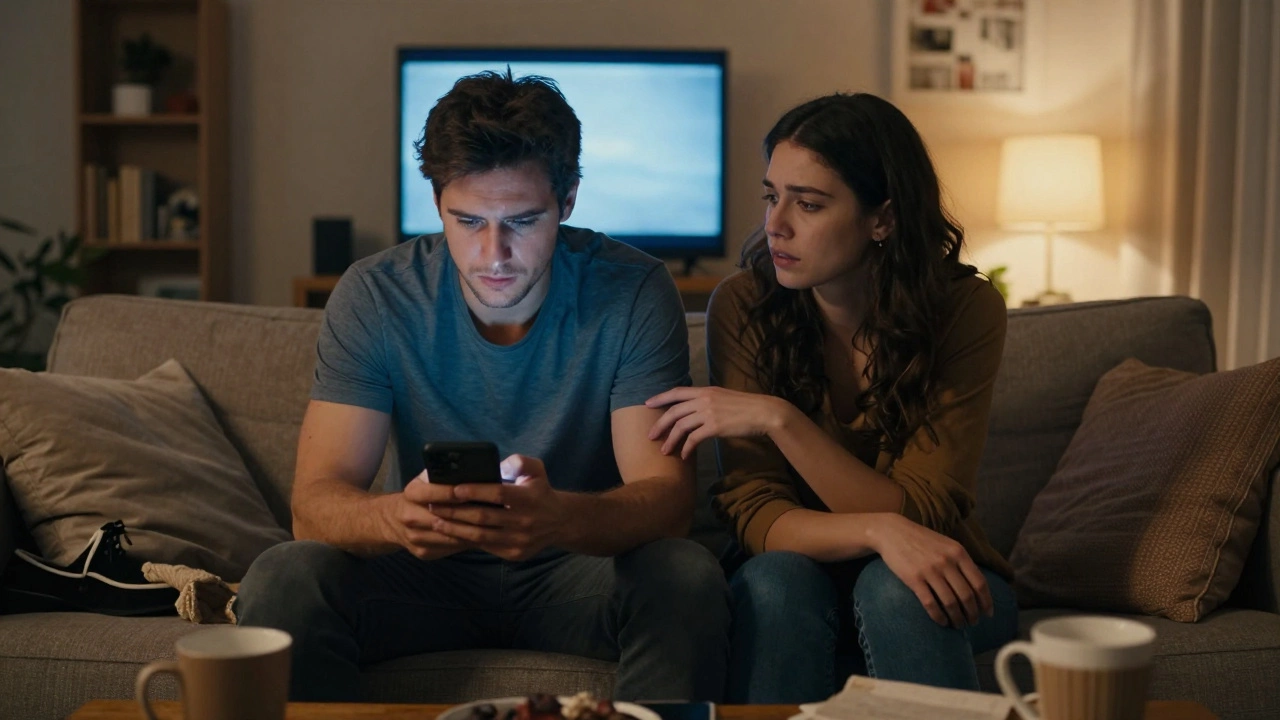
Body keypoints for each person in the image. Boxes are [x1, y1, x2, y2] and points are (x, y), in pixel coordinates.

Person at [236, 70, 730, 702]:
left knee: (683, 574)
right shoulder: (377, 294)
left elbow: (667, 503)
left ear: (569, 200)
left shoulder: (631, 289)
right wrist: (396, 517)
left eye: (523, 221)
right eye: (467, 221)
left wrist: (558, 519)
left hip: (574, 573)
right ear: (437, 201)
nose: (494, 254)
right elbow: (314, 504)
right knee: (285, 573)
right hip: (422, 579)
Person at [646, 92, 1019, 702]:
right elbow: (756, 513)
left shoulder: (965, 310)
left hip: (931, 580)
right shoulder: (743, 305)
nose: (775, 224)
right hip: (791, 572)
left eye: (809, 204)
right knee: (775, 582)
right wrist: (877, 532)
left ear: (884, 219)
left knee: (894, 588)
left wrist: (780, 418)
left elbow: (921, 514)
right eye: (772, 196)